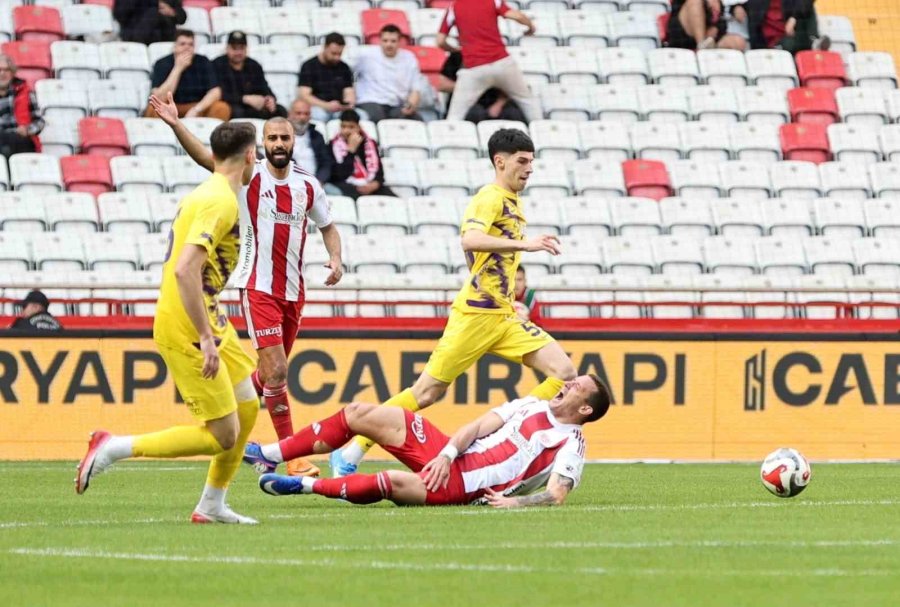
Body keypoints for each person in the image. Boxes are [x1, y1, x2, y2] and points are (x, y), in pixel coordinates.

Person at [329, 128, 576, 477]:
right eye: (522, 161)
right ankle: (354, 449)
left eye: (531, 162)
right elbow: (469, 238)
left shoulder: (512, 202)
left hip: (502, 316)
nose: (529, 168)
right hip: (475, 316)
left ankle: (511, 427)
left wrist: (480, 270)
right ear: (500, 161)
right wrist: (526, 245)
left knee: (565, 374)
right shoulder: (489, 197)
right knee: (426, 393)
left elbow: (473, 250)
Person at [75, 122, 261, 524]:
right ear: (249, 155)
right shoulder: (221, 202)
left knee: (248, 401)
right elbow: (184, 270)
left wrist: (177, 124)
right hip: (189, 323)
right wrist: (206, 339)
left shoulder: (214, 188)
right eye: (257, 153)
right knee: (222, 435)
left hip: (208, 313)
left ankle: (212, 504)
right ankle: (113, 446)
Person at [149, 92, 344, 479]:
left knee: (271, 375)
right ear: (260, 147)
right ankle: (290, 456)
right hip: (257, 287)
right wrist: (175, 124)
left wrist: (336, 258)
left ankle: (250, 430)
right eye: (271, 139)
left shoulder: (308, 186)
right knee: (277, 372)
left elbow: (328, 227)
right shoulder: (247, 181)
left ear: (293, 142)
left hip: (293, 291)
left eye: (284, 138)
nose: (278, 145)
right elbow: (208, 158)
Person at [247, 374, 609, 507]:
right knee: (359, 412)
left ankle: (306, 486)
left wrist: (514, 504)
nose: (565, 385)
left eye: (576, 387)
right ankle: (270, 454)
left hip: (466, 485)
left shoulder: (571, 442)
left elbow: (557, 494)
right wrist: (448, 453)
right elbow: (478, 426)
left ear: (585, 411)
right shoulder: (532, 403)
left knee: (390, 482)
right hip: (449, 454)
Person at [436, 0, 541, 124]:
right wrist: (530, 27)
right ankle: (541, 134)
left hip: (474, 68)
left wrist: (456, 50)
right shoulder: (493, 1)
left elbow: (440, 41)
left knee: (455, 116)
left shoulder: (454, 7)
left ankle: (452, 139)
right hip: (501, 62)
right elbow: (515, 15)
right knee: (528, 102)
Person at [145, 29, 230, 121]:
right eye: (182, 44)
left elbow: (216, 92)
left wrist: (196, 109)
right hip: (170, 106)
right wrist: (178, 69)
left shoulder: (203, 61)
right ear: (174, 47)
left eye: (191, 44)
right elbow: (159, 98)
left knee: (221, 108)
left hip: (197, 106)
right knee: (153, 109)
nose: (187, 47)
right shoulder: (162, 63)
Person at [355, 24, 423, 123]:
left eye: (393, 41)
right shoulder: (366, 54)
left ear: (400, 42)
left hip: (397, 105)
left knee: (415, 120)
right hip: (370, 100)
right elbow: (346, 70)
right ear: (380, 41)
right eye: (385, 41)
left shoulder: (409, 58)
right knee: (378, 118)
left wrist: (410, 106)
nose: (389, 45)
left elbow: (416, 89)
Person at [213, 31, 286, 120]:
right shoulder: (217, 65)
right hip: (231, 104)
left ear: (246, 49)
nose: (238, 52)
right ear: (227, 48)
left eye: (241, 48)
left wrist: (269, 98)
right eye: (234, 48)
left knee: (280, 110)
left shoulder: (254, 65)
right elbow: (217, 93)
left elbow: (264, 87)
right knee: (237, 112)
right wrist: (244, 99)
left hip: (253, 106)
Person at [438, 51, 526, 124]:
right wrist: (470, 85)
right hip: (467, 104)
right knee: (475, 113)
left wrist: (499, 104)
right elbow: (442, 85)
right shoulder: (457, 55)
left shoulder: (499, 57)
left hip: (494, 104)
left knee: (514, 113)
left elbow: (513, 86)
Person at [327, 109, 395, 200]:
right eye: (343, 127)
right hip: (347, 185)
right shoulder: (332, 145)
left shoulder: (370, 143)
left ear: (358, 127)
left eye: (351, 127)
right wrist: (351, 151)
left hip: (370, 184)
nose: (346, 131)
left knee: (393, 200)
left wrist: (375, 184)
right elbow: (338, 175)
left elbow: (379, 172)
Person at [297, 32, 362, 123]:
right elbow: (304, 95)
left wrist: (347, 105)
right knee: (320, 116)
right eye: (333, 53)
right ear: (325, 47)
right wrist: (326, 105)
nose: (336, 57)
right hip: (317, 107)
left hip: (339, 108)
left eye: (339, 54)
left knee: (362, 116)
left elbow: (349, 92)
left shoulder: (344, 67)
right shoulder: (309, 66)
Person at [0, 54, 43, 157]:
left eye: (7, 70)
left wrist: (27, 130)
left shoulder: (26, 92)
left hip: (20, 139)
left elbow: (40, 122)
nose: (2, 73)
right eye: (0, 69)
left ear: (12, 73)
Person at [747, 0, 830, 53]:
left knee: (808, 6)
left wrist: (793, 18)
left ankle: (814, 41)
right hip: (775, 43)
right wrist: (735, 8)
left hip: (792, 35)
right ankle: (813, 43)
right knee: (789, 43)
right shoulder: (758, 3)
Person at [287, 98, 332, 186]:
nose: (302, 117)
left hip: (317, 183)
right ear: (289, 115)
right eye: (298, 113)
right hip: (291, 183)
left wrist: (319, 180)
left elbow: (326, 163)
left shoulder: (317, 136)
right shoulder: (280, 137)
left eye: (306, 114)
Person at [114, 0, 186, 45]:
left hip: (165, 41)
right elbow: (119, 15)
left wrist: (171, 12)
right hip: (135, 40)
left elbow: (182, 17)